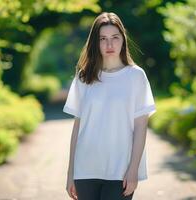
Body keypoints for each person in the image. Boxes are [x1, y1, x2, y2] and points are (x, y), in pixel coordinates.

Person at [63, 12, 156, 200]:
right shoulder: (84, 77)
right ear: (95, 43)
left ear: (123, 39)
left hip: (120, 171)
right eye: (103, 39)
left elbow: (140, 127)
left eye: (115, 38)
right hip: (85, 169)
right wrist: (70, 173)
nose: (109, 45)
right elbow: (78, 127)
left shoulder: (136, 76)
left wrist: (133, 171)